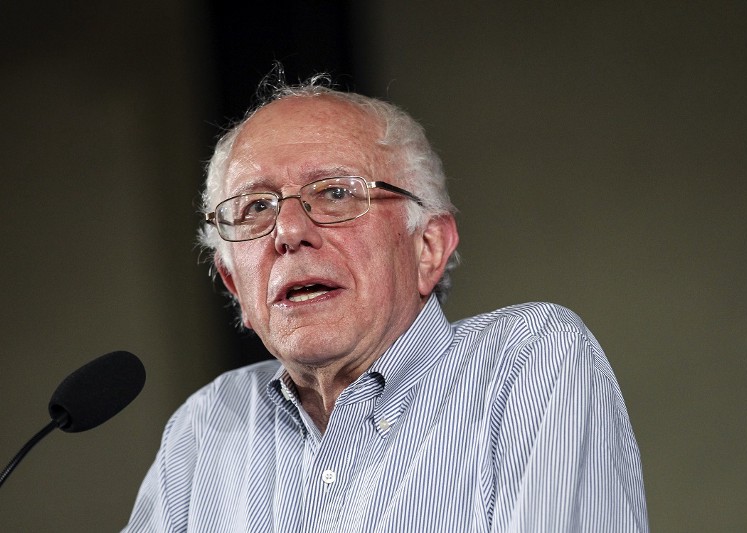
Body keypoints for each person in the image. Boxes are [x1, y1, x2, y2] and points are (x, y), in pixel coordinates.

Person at [123, 74, 649, 532]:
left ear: (428, 248)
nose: (288, 230)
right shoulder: (205, 426)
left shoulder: (527, 363)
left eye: (335, 193)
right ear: (233, 284)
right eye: (255, 207)